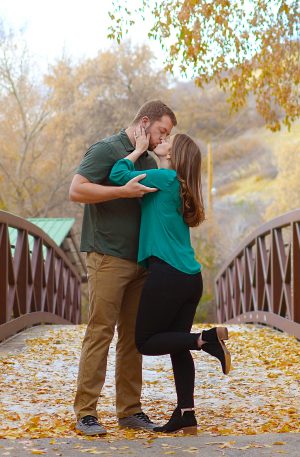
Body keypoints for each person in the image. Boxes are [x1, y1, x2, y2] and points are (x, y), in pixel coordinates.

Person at [109, 129, 231, 434]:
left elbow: (117, 173)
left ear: (173, 155)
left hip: (167, 275)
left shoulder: (163, 179)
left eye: (168, 142)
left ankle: (205, 340)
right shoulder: (179, 186)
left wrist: (137, 150)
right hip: (190, 279)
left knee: (144, 341)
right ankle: (186, 415)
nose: (162, 141)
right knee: (177, 346)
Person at [69, 100, 177, 436]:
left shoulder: (145, 158)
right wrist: (121, 191)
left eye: (168, 135)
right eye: (162, 131)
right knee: (100, 332)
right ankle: (86, 412)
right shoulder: (107, 149)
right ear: (145, 122)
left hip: (140, 262)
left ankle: (130, 410)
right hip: (107, 257)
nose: (163, 138)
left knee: (132, 338)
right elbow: (77, 190)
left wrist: (164, 158)